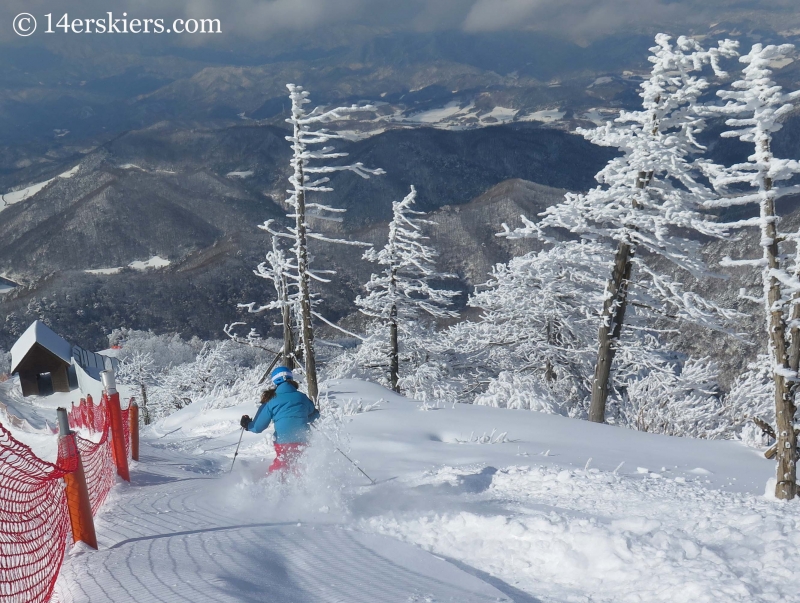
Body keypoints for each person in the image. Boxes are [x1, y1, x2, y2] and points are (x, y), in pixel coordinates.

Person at [240, 366, 319, 474]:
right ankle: (304, 488)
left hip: (283, 441)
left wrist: (248, 424)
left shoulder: (271, 400)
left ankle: (273, 487)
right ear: (291, 379)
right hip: (303, 439)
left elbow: (258, 427)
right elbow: (314, 414)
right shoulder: (302, 397)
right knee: (300, 468)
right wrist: (303, 418)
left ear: (274, 381)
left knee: (281, 469)